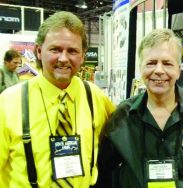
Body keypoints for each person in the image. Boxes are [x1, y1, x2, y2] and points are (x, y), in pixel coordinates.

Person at [0, 11, 115, 187]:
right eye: (55, 49)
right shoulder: (8, 102)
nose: (63, 58)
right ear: (39, 51)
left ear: (83, 55)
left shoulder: (96, 97)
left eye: (72, 51)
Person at [96, 28, 183, 188]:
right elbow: (105, 172)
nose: (159, 70)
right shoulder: (122, 115)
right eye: (151, 63)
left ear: (179, 69)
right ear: (140, 68)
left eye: (167, 63)